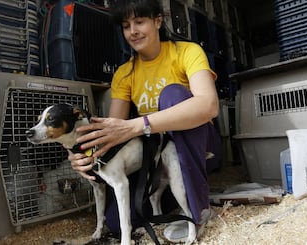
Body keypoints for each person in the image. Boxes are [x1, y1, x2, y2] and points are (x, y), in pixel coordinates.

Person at [68, 0, 223, 242]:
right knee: (117, 222)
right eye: (126, 26)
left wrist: (137, 125)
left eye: (140, 22)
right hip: (156, 154)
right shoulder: (124, 73)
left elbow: (209, 105)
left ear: (158, 21)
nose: (133, 31)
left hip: (201, 145)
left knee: (173, 94)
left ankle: (197, 209)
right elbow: (113, 133)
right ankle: (174, 195)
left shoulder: (187, 52)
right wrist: (80, 154)